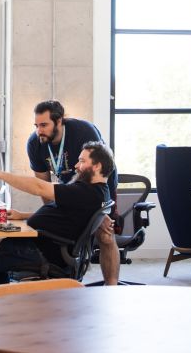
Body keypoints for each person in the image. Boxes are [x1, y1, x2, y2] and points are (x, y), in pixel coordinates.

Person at [0, 141, 114, 290]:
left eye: (82, 161)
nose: (76, 165)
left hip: (42, 252)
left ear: (97, 166)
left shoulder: (85, 192)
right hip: (43, 247)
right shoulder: (98, 191)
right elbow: (65, 218)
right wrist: (23, 215)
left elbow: (39, 187)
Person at [26, 100, 120, 285]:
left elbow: (101, 173)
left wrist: (101, 212)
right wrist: (56, 212)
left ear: (59, 121)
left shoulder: (83, 132)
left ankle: (111, 286)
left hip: (100, 185)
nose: (39, 131)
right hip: (72, 186)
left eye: (44, 125)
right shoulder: (35, 143)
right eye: (36, 126)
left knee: (105, 235)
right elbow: (43, 185)